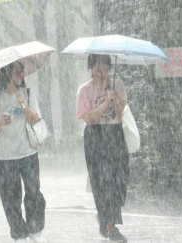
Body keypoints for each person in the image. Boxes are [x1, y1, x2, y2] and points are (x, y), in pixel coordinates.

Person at [0, 61, 47, 243]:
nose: (21, 74)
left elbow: (36, 118)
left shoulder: (27, 93)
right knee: (10, 197)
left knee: (33, 191)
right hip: (5, 156)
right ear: (7, 73)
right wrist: (0, 122)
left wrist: (23, 104)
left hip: (28, 152)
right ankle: (19, 233)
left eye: (22, 71)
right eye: (17, 71)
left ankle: (35, 229)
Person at [76, 54, 129, 242]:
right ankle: (111, 226)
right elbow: (87, 118)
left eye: (105, 65)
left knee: (119, 179)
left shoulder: (118, 84)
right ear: (91, 66)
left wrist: (114, 98)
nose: (102, 69)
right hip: (95, 136)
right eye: (97, 64)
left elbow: (123, 109)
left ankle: (105, 216)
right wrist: (104, 104)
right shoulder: (84, 90)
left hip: (114, 135)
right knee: (102, 183)